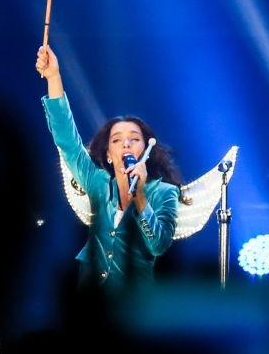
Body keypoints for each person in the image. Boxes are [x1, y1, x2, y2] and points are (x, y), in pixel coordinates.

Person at [34, 42, 182, 290]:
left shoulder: (165, 193)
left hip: (134, 301)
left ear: (146, 151)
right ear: (109, 155)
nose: (126, 144)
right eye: (117, 140)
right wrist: (54, 76)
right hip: (91, 297)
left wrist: (140, 197)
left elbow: (158, 244)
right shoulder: (98, 183)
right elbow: (67, 139)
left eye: (134, 139)